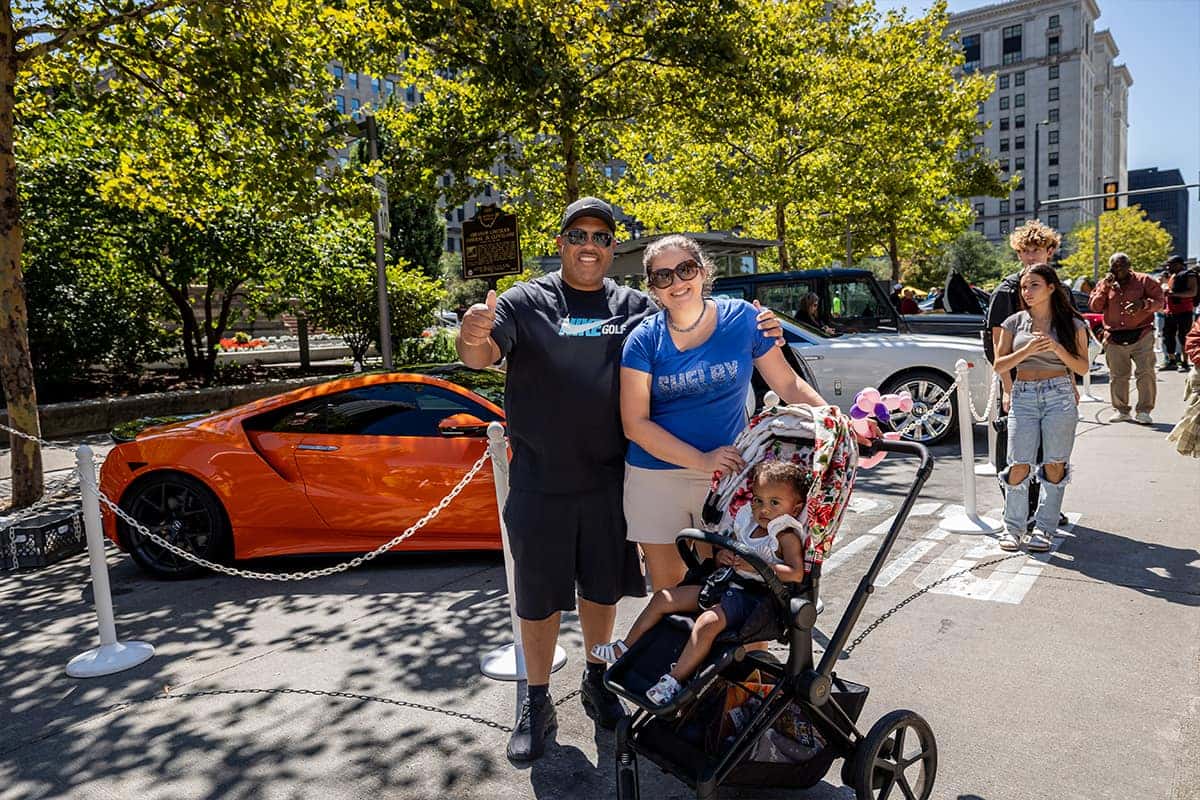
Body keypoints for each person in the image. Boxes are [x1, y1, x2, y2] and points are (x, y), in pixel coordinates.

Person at [454, 197, 784, 761]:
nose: (591, 245)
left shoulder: (634, 305)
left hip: (611, 479)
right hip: (540, 479)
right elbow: (480, 356)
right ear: (561, 242)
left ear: (612, 248)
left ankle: (595, 677)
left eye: (603, 237)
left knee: (601, 590)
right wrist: (471, 333)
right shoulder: (526, 300)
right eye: (579, 234)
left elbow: (692, 322)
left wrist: (763, 324)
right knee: (536, 598)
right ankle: (535, 700)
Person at [618, 234, 825, 593]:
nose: (677, 282)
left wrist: (838, 423)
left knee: (735, 584)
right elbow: (634, 423)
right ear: (652, 288)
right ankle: (678, 652)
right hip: (656, 478)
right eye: (663, 276)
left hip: (727, 476)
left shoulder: (743, 319)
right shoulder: (642, 340)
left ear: (702, 271)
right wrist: (701, 459)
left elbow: (789, 385)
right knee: (672, 592)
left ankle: (741, 653)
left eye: (685, 269)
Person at [590, 461, 811, 705]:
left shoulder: (785, 535)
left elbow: (796, 573)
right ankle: (626, 647)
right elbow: (730, 553)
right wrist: (722, 557)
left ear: (796, 507)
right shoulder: (750, 523)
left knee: (706, 623)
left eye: (774, 503)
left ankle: (673, 681)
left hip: (754, 599)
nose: (764, 509)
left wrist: (759, 566)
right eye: (758, 500)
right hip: (726, 585)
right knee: (665, 597)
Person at [992, 264, 1090, 552]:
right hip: (1022, 395)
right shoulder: (1013, 322)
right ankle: (1014, 528)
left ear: (1051, 288)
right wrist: (1027, 351)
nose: (1027, 291)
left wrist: (1057, 349)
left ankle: (1044, 529)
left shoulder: (1073, 325)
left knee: (1054, 464)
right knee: (1018, 463)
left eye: (1034, 285)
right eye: (1024, 286)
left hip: (1058, 395)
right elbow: (1000, 365)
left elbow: (1082, 367)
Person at [984, 220, 1064, 531]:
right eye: (1025, 251)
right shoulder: (1007, 290)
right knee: (1016, 452)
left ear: (1050, 251)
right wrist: (1007, 388)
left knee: (1050, 451)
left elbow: (1065, 337)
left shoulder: (1058, 289)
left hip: (1052, 383)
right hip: (1017, 383)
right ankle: (1018, 514)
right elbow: (996, 343)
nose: (1031, 257)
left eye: (1036, 250)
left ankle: (1045, 510)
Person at [1089, 252, 1165, 424]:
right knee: (1118, 375)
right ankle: (1121, 410)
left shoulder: (1145, 281)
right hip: (1114, 336)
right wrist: (1104, 288)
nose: (1118, 269)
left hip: (1141, 334)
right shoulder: (1105, 284)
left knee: (1145, 373)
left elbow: (1161, 302)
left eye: (1122, 265)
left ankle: (1144, 411)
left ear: (1129, 266)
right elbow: (1095, 307)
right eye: (1115, 266)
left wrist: (1143, 304)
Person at [1161, 255, 1198, 372]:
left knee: (1184, 337)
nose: (1168, 267)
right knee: (1168, 337)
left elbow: (1192, 292)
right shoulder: (1172, 276)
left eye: (1170, 264)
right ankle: (1172, 361)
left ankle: (1185, 362)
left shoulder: (1189, 275)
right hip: (1170, 312)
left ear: (1179, 264)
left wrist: (1172, 294)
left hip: (1184, 311)